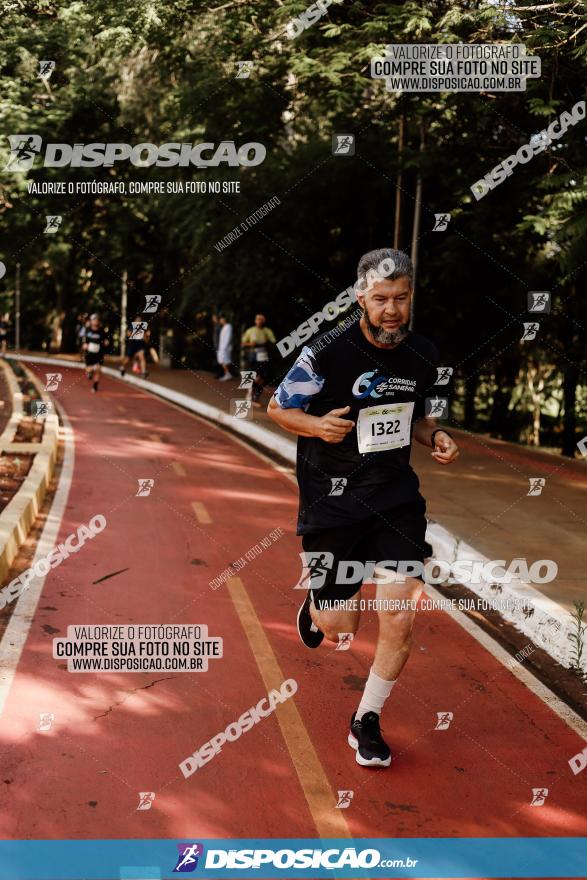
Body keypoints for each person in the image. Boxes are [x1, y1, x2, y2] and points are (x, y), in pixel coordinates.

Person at [267, 248, 459, 769]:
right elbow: (277, 407)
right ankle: (315, 610)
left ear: (411, 297)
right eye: (380, 299)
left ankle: (367, 720)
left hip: (395, 497)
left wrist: (436, 435)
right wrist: (316, 426)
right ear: (360, 299)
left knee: (398, 619)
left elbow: (424, 417)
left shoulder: (425, 354)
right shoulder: (326, 351)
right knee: (341, 626)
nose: (391, 310)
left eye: (400, 299)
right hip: (331, 502)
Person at [241, 314, 276, 406]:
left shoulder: (267, 331)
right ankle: (249, 394)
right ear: (255, 321)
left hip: (263, 355)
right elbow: (243, 343)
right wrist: (250, 344)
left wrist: (266, 342)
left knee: (263, 377)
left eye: (261, 319)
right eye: (257, 319)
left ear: (264, 321)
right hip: (253, 355)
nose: (259, 321)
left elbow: (273, 341)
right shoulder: (250, 330)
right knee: (253, 375)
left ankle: (255, 396)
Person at [82, 313, 110, 392]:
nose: (96, 321)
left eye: (97, 320)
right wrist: (84, 345)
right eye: (94, 319)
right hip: (89, 353)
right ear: (91, 321)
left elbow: (106, 340)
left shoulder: (102, 330)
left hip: (99, 353)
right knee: (89, 369)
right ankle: (90, 372)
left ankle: (95, 385)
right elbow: (84, 341)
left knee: (98, 370)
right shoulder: (87, 330)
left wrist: (106, 342)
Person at [216, 314, 233, 382]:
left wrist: (224, 347)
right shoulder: (224, 327)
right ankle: (227, 374)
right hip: (222, 347)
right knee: (222, 361)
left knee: (224, 361)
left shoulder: (228, 326)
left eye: (221, 319)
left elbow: (228, 337)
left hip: (225, 348)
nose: (220, 321)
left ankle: (228, 374)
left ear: (224, 319)